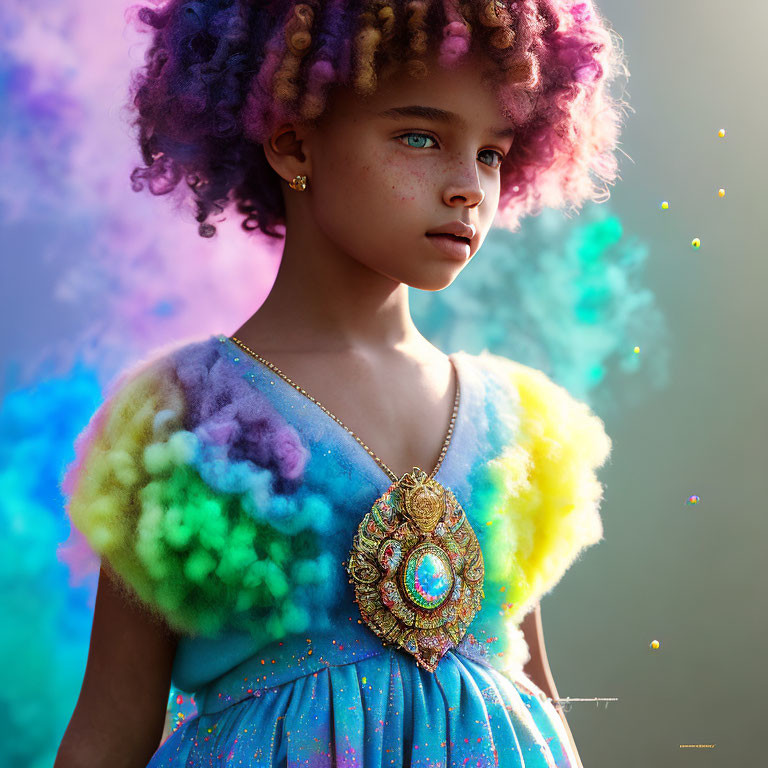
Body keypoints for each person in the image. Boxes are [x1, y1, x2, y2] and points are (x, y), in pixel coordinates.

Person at [55, 0, 624, 765]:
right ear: (294, 143)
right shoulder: (183, 417)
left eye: (491, 152)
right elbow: (111, 725)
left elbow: (536, 694)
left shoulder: (518, 427)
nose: (467, 187)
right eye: (420, 137)